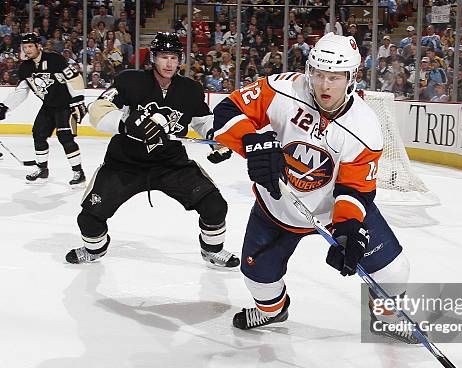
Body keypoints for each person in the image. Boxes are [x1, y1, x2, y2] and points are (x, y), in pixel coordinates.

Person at [211, 33, 412, 342]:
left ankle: (384, 314)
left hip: (332, 210)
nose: (324, 85)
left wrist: (347, 228)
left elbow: (356, 187)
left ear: (350, 78)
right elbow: (227, 111)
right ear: (309, 71)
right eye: (319, 74)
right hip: (277, 203)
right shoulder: (282, 88)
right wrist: (252, 143)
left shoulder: (366, 127)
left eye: (334, 77)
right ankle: (271, 311)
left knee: (394, 271)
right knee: (258, 279)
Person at [65, 32, 238, 269]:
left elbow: (203, 120)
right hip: (124, 164)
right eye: (164, 57)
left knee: (215, 206)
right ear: (154, 58)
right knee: (89, 218)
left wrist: (216, 137)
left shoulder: (190, 89)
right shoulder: (130, 81)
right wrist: (124, 124)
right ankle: (94, 249)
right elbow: (98, 108)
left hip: (171, 165)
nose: (169, 63)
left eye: (174, 57)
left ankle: (212, 250)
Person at [0, 32, 87, 186]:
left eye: (30, 46)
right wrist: (5, 107)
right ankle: (42, 169)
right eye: (24, 47)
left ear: (38, 46)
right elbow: (21, 91)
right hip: (48, 106)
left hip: (64, 105)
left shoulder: (54, 59)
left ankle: (78, 172)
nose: (27, 50)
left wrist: (78, 100)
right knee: (38, 134)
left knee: (65, 138)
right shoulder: (25, 68)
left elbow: (74, 77)